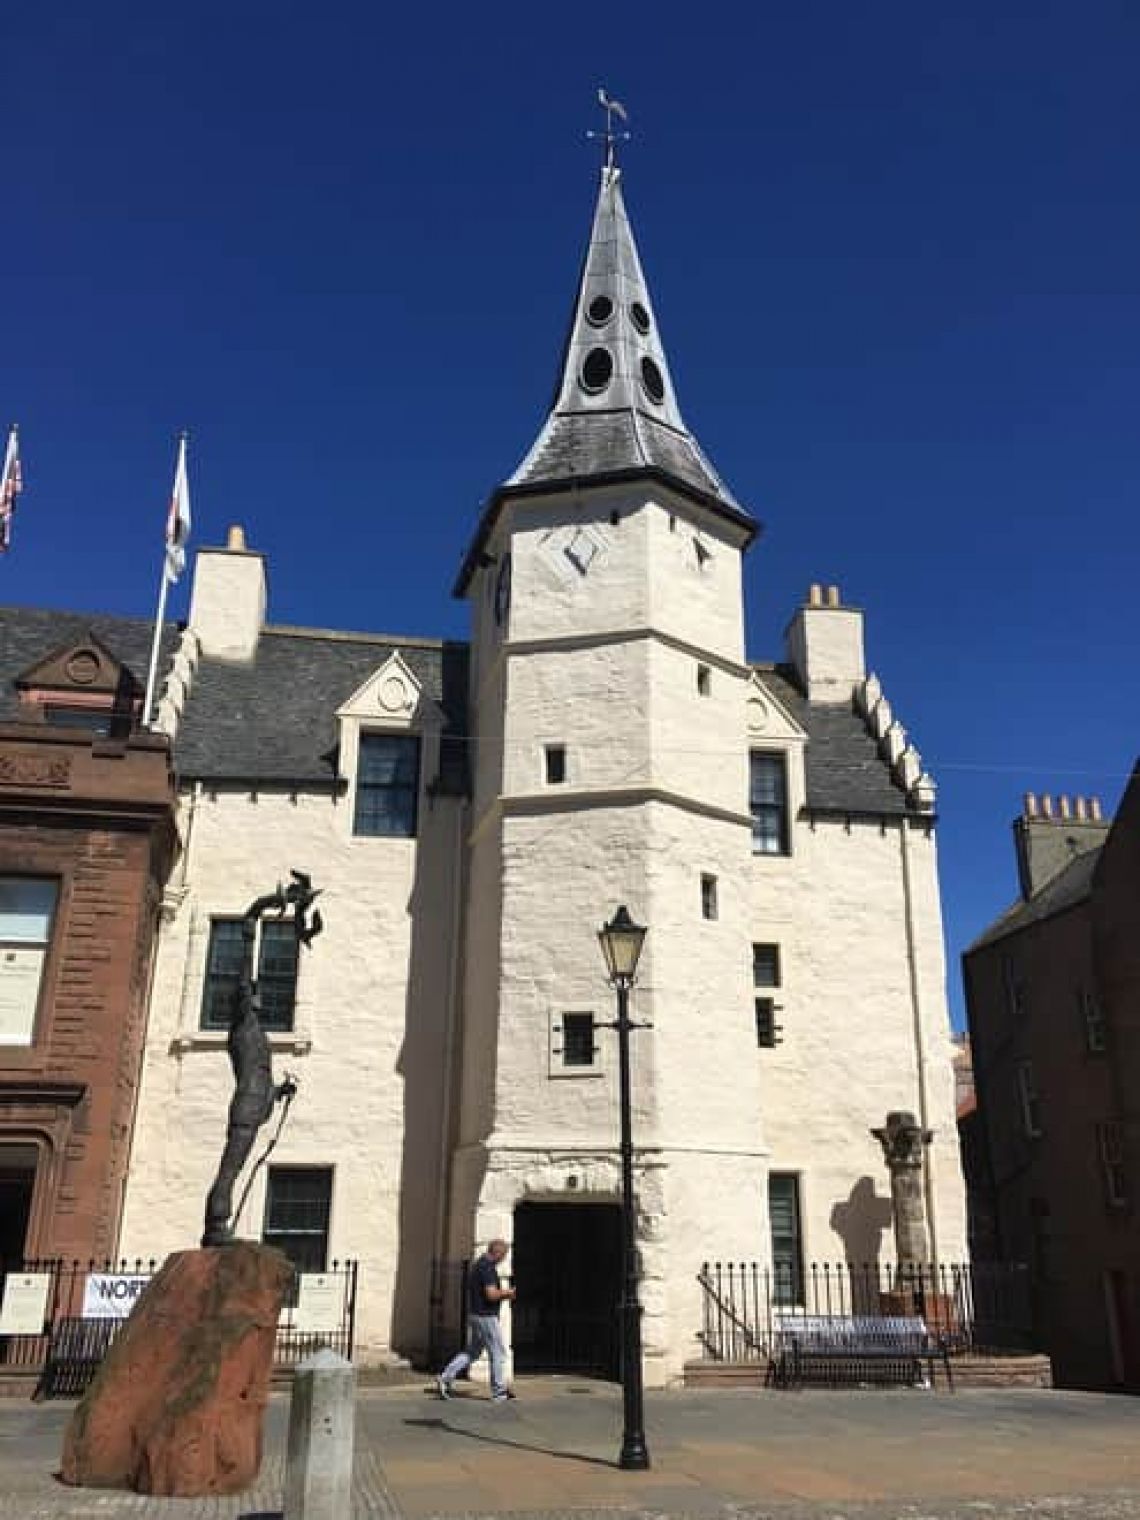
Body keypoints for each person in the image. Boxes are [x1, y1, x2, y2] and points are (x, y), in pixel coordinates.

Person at [438, 1240, 517, 1402]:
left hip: (476, 1314)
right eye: (504, 1255)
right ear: (498, 1253)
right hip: (486, 1316)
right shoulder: (487, 1268)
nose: (504, 1259)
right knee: (498, 1353)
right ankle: (499, 1392)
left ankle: (445, 1377)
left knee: (472, 1352)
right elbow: (491, 1294)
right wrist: (507, 1293)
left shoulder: (479, 1265)